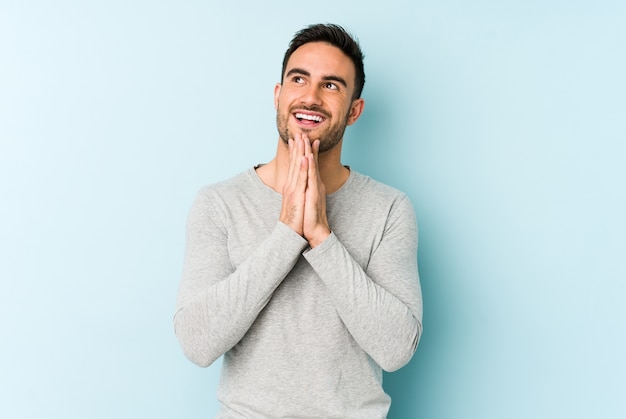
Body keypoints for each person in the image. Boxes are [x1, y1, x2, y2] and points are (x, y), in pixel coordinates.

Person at [174, 23, 423, 418]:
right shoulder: (219, 203)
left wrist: (322, 237)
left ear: (354, 110)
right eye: (299, 79)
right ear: (278, 95)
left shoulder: (389, 209)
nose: (310, 97)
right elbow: (197, 342)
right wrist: (287, 232)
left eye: (331, 85)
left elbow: (396, 349)